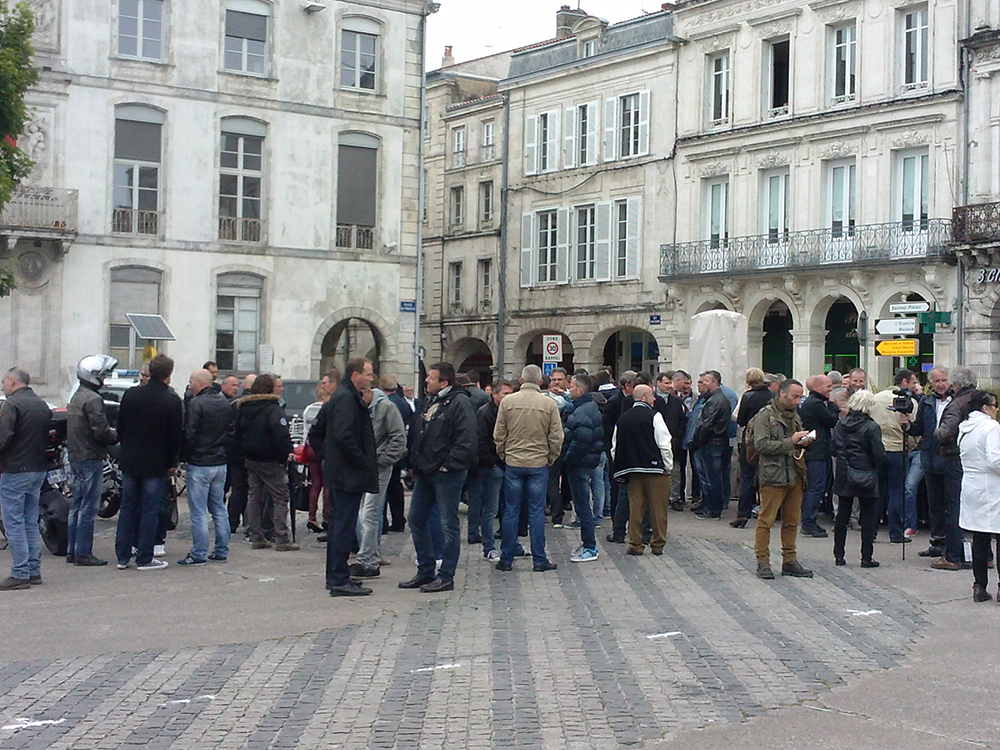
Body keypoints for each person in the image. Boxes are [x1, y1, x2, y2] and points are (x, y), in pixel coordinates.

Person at [400, 362, 477, 593]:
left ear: (444, 382)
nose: (426, 380)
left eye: (431, 378)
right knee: (416, 518)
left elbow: (467, 439)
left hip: (446, 473)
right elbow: (419, 431)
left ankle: (446, 575)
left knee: (448, 523)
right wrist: (413, 462)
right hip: (425, 471)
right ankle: (426, 569)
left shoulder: (460, 402)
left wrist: (448, 464)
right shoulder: (430, 400)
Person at [308, 358, 378, 596]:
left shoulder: (342, 396)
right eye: (368, 374)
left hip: (342, 471)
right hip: (348, 474)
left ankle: (337, 575)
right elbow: (342, 436)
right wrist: (361, 461)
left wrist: (329, 457)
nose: (371, 378)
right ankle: (338, 579)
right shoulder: (346, 398)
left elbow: (316, 432)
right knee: (343, 526)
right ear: (355, 375)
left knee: (340, 525)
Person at [114, 355, 183, 571]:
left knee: (128, 507)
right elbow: (174, 436)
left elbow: (121, 426)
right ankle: (145, 556)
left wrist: (126, 448)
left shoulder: (131, 394)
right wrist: (172, 462)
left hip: (131, 459)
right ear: (169, 374)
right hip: (156, 462)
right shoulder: (171, 400)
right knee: (150, 509)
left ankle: (123, 556)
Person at [494, 364, 563, 573]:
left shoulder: (508, 402)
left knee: (511, 510)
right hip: (538, 463)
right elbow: (557, 436)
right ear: (541, 381)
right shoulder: (548, 404)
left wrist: (504, 454)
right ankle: (539, 559)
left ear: (521, 380)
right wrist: (550, 457)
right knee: (536, 512)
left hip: (514, 462)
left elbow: (499, 434)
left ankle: (506, 558)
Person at [752, 379, 814, 580]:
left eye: (800, 397)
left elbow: (794, 443)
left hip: (795, 473)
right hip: (773, 475)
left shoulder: (795, 415)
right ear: (782, 394)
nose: (798, 401)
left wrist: (804, 442)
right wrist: (791, 442)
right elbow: (761, 445)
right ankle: (763, 562)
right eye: (795, 396)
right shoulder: (765, 415)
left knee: (792, 521)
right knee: (766, 520)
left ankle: (790, 560)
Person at [0, 368, 52, 589]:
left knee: (13, 522)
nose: (3, 386)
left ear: (13, 381)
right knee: (30, 521)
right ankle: (32, 569)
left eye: (4, 382)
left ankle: (20, 572)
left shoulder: (12, 405)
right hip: (37, 468)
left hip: (15, 469)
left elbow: (4, 437)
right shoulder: (41, 404)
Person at [66, 355, 119, 567]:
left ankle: (72, 549)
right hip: (90, 456)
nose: (105, 378)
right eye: (103, 374)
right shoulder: (93, 399)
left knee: (76, 505)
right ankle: (83, 552)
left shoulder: (77, 396)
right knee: (88, 507)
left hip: (76, 456)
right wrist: (117, 435)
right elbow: (101, 432)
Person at [349, 386, 406, 580]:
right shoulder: (360, 408)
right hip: (363, 467)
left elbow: (399, 438)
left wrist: (382, 461)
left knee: (369, 514)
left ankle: (367, 560)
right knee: (363, 514)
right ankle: (370, 556)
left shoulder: (386, 408)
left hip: (379, 467)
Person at [237, 373, 298, 552]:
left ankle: (256, 536)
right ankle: (282, 537)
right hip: (270, 459)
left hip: (251, 458)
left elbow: (238, 432)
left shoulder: (245, 407)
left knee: (254, 497)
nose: (282, 389)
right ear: (270, 389)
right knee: (280, 498)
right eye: (279, 386)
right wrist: (284, 455)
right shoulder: (273, 409)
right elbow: (280, 435)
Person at [178, 369, 232, 565]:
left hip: (200, 462)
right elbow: (230, 432)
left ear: (200, 383)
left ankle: (199, 553)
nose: (190, 385)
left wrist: (184, 457)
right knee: (219, 508)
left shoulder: (196, 404)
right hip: (220, 461)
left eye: (192, 382)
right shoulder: (224, 403)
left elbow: (190, 434)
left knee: (199, 511)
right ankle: (221, 550)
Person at [611, 384, 672, 556]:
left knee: (636, 508)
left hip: (632, 470)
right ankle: (658, 543)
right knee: (658, 508)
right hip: (655, 469)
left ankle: (635, 543)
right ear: (643, 397)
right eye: (652, 395)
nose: (654, 399)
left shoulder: (623, 418)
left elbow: (615, 446)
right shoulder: (655, 416)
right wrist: (667, 466)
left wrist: (621, 465)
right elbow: (664, 443)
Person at [930, 366, 979, 571]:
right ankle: (984, 555)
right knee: (976, 506)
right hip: (977, 459)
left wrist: (935, 433)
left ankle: (952, 555)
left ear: (956, 384)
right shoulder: (981, 399)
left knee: (954, 507)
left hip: (955, 458)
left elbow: (945, 433)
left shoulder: (957, 404)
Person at [832, 390, 887, 568]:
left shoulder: (840, 424)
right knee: (868, 516)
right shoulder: (871, 427)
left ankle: (839, 555)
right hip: (866, 472)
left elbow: (834, 447)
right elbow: (878, 453)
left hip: (844, 472)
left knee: (842, 514)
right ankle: (866, 557)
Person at [902, 366, 951, 554]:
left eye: (943, 380)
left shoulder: (956, 402)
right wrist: (907, 425)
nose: (940, 384)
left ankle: (952, 545)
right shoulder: (927, 401)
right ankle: (936, 542)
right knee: (935, 504)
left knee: (951, 504)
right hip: (929, 457)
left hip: (949, 458)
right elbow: (919, 428)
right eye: (936, 381)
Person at [957, 390, 1000, 602]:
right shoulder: (991, 427)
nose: (996, 410)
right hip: (991, 486)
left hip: (971, 484)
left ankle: (979, 585)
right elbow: (995, 460)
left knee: (980, 537)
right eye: (995, 405)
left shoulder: (964, 428)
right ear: (985, 407)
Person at [872, 369, 919, 544]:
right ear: (905, 382)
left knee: (876, 492)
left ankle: (871, 531)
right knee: (896, 493)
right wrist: (910, 447)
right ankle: (896, 532)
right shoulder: (911, 403)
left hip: (878, 450)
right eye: (913, 382)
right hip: (898, 450)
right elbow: (914, 429)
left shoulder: (875, 399)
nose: (915, 386)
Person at [562, 373, 604, 563]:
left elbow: (582, 439)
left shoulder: (583, 411)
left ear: (580, 390)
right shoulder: (586, 407)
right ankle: (588, 544)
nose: (568, 389)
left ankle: (590, 546)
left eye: (571, 386)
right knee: (582, 504)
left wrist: (568, 458)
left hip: (580, 463)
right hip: (585, 461)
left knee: (582, 506)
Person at [476, 379, 513, 561]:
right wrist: (492, 463)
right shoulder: (485, 413)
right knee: (490, 509)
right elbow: (481, 441)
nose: (509, 397)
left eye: (511, 393)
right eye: (505, 393)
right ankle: (489, 547)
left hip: (508, 464)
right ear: (494, 394)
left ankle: (511, 544)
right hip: (492, 466)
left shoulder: (510, 411)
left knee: (510, 507)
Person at [798, 374, 839, 538]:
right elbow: (831, 421)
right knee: (816, 487)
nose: (831, 389)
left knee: (815, 487)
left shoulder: (814, 402)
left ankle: (809, 520)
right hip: (816, 451)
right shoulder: (816, 404)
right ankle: (808, 522)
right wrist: (833, 406)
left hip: (816, 449)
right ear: (817, 387)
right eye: (828, 386)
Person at [732, 368, 772, 528]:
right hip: (768, 438)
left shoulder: (748, 396)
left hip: (750, 439)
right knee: (765, 477)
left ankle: (743, 514)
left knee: (747, 477)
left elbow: (741, 420)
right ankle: (767, 511)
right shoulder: (771, 396)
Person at [690, 370, 731, 519]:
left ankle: (713, 509)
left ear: (715, 382)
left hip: (711, 442)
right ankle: (710, 507)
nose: (703, 383)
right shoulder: (714, 399)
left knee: (711, 478)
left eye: (706, 381)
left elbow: (707, 424)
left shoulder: (716, 400)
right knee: (711, 477)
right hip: (714, 441)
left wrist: (696, 440)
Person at [303, 370, 338, 533]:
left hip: (311, 447)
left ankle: (311, 516)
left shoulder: (309, 409)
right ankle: (326, 517)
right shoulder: (330, 407)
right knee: (327, 484)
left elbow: (306, 431)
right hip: (325, 446)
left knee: (315, 483)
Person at [226, 373, 256, 537]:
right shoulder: (257, 404)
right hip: (251, 452)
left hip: (236, 453)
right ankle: (249, 523)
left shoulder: (235, 404)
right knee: (253, 489)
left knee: (237, 488)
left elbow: (229, 428)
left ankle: (232, 522)